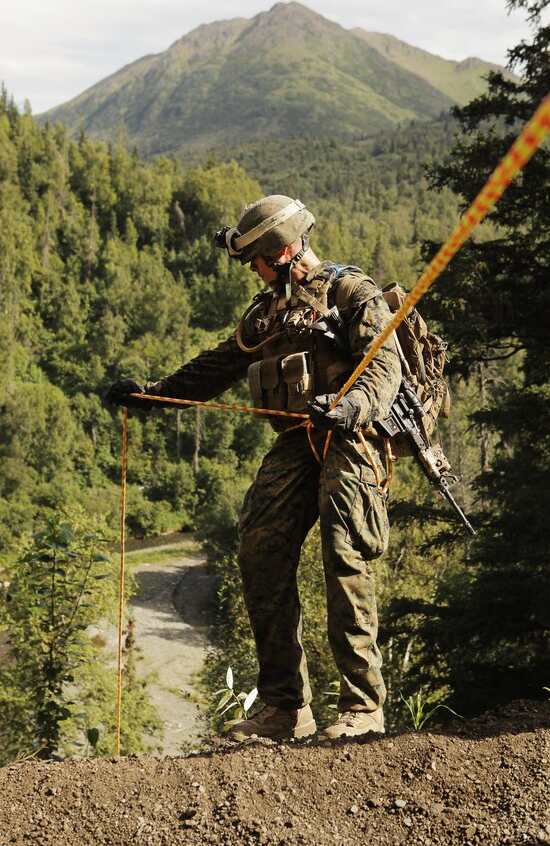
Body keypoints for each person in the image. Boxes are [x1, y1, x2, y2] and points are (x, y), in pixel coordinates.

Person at [106, 195, 401, 740]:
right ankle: (286, 708)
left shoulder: (351, 293)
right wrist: (152, 397)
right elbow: (218, 365)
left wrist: (351, 408)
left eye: (257, 260)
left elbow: (385, 365)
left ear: (283, 251)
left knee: (343, 552)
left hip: (350, 435)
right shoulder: (268, 312)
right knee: (258, 549)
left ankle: (363, 709)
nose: (253, 271)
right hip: (296, 440)